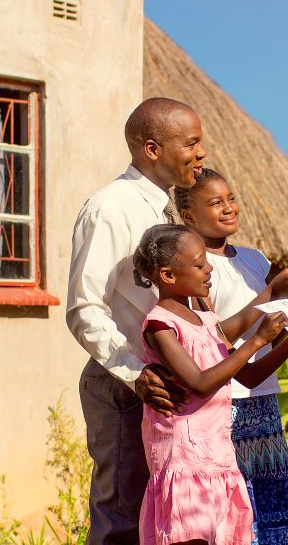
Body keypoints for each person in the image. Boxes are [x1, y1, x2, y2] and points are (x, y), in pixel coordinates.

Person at [66, 98, 205, 544]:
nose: (201, 153)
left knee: (163, 516)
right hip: (125, 386)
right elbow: (85, 307)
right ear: (152, 148)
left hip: (166, 384)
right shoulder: (110, 208)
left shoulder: (166, 210)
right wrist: (135, 372)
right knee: (121, 519)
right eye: (191, 143)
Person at [132, 224, 288, 545]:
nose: (209, 269)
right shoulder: (161, 324)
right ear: (167, 275)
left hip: (218, 458)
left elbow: (248, 375)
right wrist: (258, 340)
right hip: (184, 459)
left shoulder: (207, 321)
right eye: (198, 264)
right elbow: (199, 383)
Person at [173, 168, 288, 544]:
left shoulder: (255, 258)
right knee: (236, 509)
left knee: (273, 506)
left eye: (230, 198)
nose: (229, 208)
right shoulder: (196, 270)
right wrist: (271, 292)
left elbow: (272, 325)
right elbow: (210, 336)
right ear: (188, 217)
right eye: (216, 203)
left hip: (262, 396)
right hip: (224, 402)